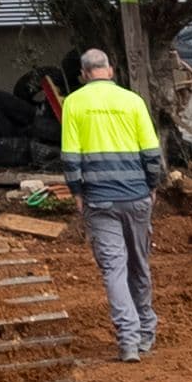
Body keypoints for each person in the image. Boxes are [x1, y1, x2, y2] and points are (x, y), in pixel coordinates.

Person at [58, 44, 162, 362]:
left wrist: (77, 192)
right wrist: (152, 186)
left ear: (83, 74)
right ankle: (146, 332)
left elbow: (71, 158)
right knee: (138, 265)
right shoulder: (132, 101)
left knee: (114, 271)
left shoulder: (74, 104)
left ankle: (129, 342)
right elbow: (152, 153)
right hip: (136, 196)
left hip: (99, 201)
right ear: (110, 70)